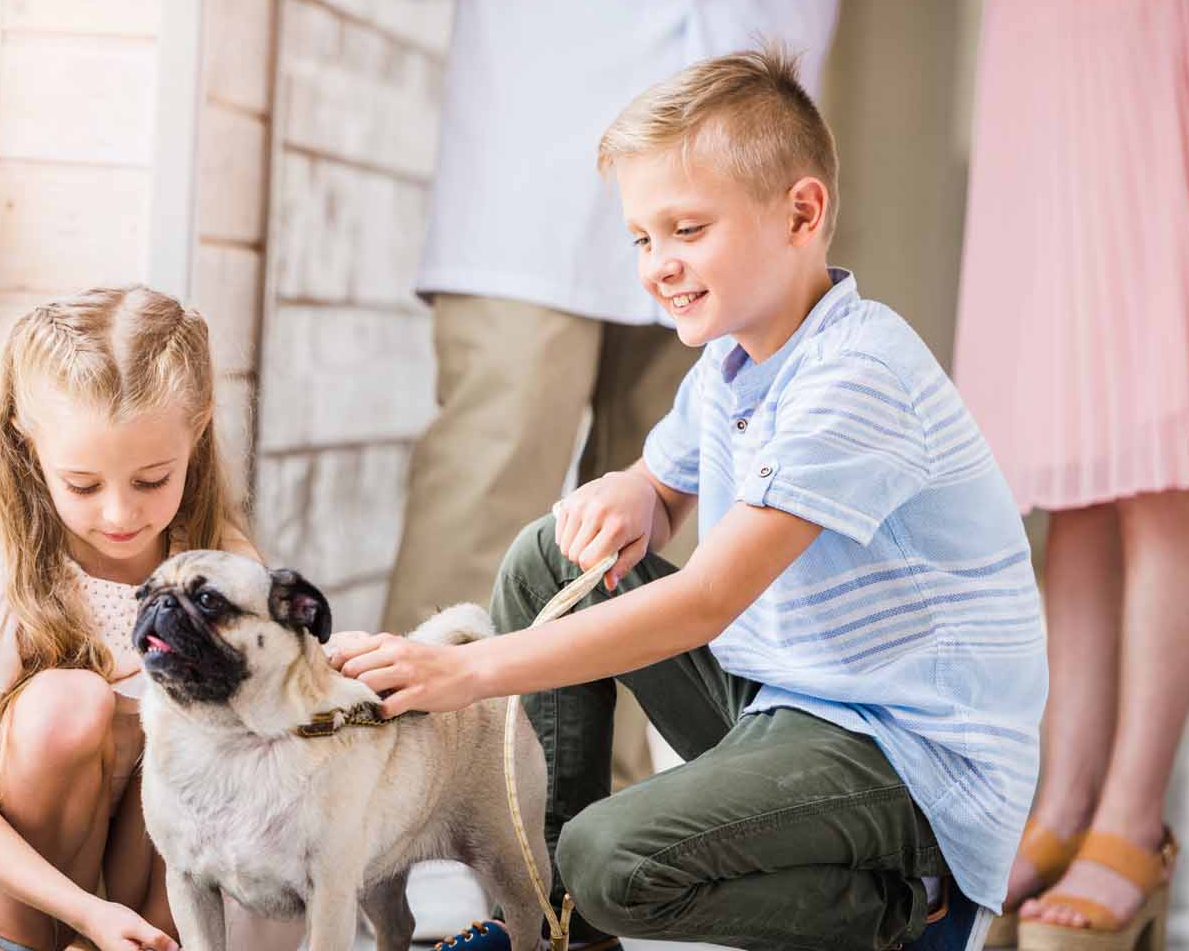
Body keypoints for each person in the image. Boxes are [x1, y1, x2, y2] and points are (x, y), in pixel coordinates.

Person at [331, 48, 1047, 951]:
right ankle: (560, 931)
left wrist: (468, 671)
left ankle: (914, 906)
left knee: (612, 858)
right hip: (788, 696)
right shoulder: (734, 359)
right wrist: (636, 491)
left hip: (907, 759)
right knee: (552, 556)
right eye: (642, 238)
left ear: (801, 212)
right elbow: (663, 488)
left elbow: (708, 599)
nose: (659, 265)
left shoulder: (857, 378)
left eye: (687, 229)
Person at [952, 0, 1189, 948]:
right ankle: (1063, 804)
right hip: (1040, 38)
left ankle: (1133, 818)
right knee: (1071, 471)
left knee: (1155, 464)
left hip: (1150, 31)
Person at [0, 287, 267, 951]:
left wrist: (152, 929)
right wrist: (86, 914)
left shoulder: (222, 567)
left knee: (212, 720)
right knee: (70, 701)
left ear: (200, 429)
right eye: (84, 486)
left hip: (146, 876)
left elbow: (230, 775)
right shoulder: (6, 579)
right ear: (29, 447)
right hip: (11, 881)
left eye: (151, 480)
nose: (120, 516)